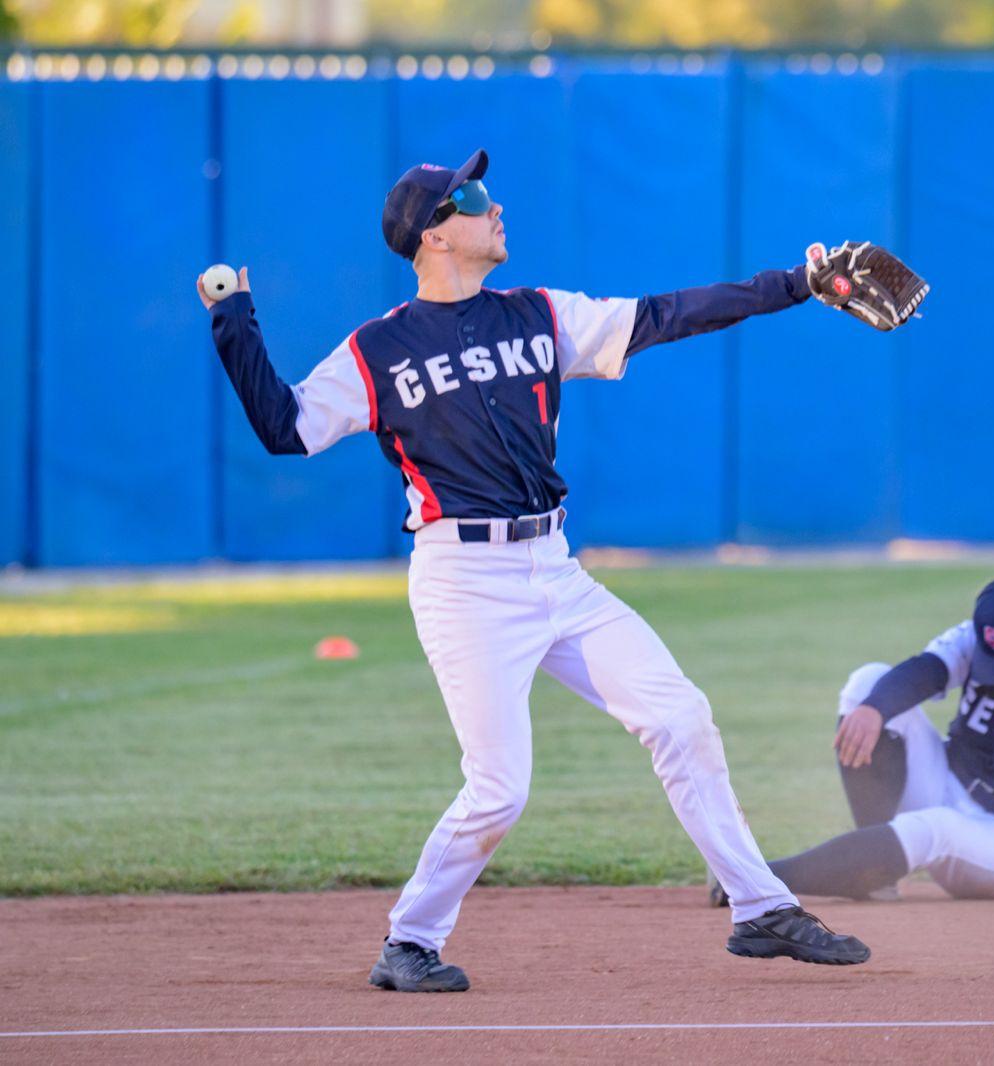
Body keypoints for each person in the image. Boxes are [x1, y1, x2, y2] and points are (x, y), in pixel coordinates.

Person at [198, 149, 870, 991]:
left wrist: (794, 284)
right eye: (472, 198)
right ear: (433, 233)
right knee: (499, 789)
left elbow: (666, 315)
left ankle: (761, 909)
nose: (494, 206)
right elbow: (285, 427)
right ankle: (409, 941)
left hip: (555, 568)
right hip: (464, 583)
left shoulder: (538, 314)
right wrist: (235, 319)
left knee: (682, 719)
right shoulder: (378, 350)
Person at [712, 572, 994, 906]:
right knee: (866, 688)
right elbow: (922, 672)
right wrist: (874, 709)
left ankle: (762, 880)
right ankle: (875, 875)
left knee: (936, 829)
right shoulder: (975, 638)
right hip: (949, 785)